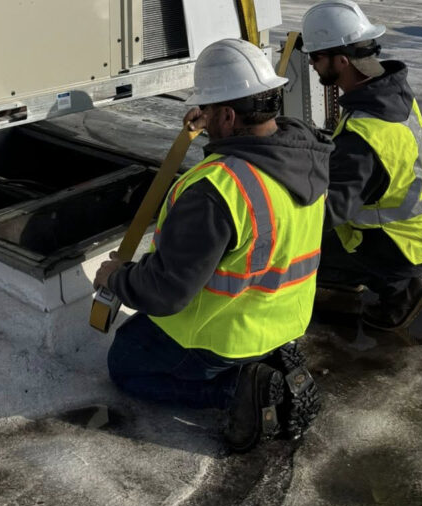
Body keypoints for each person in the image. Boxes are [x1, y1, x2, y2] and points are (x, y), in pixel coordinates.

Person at [94, 38, 331, 452]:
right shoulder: (304, 155)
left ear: (226, 113)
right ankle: (266, 368)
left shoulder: (217, 190)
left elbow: (167, 292)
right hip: (282, 319)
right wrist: (205, 128)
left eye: (208, 110)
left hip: (224, 335)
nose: (199, 116)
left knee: (126, 365)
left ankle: (240, 393)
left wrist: (118, 278)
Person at [300, 0, 422, 331]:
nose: (311, 65)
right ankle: (372, 274)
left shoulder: (363, 139)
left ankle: (400, 291)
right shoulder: (392, 95)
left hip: (405, 245)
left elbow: (325, 215)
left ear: (341, 61)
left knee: (304, 252)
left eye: (315, 57)